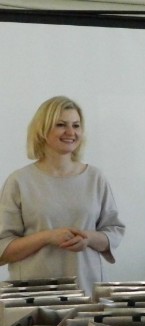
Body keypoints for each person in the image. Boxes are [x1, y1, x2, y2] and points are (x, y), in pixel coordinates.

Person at [0, 96, 125, 295]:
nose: (70, 132)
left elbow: (113, 232)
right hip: (33, 297)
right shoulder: (19, 181)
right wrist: (48, 237)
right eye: (61, 125)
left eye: (76, 125)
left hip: (87, 293)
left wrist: (88, 238)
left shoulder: (95, 178)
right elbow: (3, 248)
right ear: (42, 130)